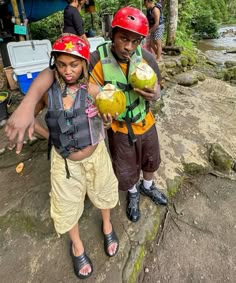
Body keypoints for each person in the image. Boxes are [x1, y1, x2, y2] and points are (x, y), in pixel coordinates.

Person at [6, 34, 119, 279]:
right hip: (65, 163)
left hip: (96, 156)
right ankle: (77, 245)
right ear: (54, 64)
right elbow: (27, 119)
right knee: (66, 206)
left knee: (104, 191)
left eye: (74, 64)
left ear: (84, 65)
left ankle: (107, 224)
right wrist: (50, 136)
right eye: (62, 64)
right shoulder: (48, 93)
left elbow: (108, 119)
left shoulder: (93, 89)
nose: (68, 71)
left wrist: (108, 119)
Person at [89, 6, 168, 223]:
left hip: (145, 121)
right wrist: (102, 101)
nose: (128, 47)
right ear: (112, 34)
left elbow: (159, 88)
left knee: (151, 159)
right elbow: (85, 86)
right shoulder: (97, 59)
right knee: (125, 166)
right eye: (123, 38)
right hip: (119, 128)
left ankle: (148, 186)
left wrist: (154, 94)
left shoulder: (147, 59)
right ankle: (133, 193)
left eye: (135, 41)